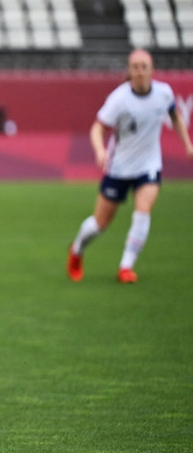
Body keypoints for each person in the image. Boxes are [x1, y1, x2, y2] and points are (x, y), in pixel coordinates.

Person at [67, 48, 193, 283]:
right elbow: (97, 128)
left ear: (151, 70)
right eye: (135, 67)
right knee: (99, 224)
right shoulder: (119, 99)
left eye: (144, 67)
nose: (140, 72)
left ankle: (126, 267)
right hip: (119, 167)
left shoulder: (164, 94)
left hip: (148, 166)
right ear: (129, 71)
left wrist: (188, 144)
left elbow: (175, 117)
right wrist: (100, 150)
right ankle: (77, 250)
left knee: (142, 211)